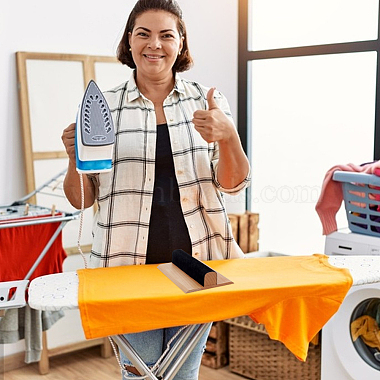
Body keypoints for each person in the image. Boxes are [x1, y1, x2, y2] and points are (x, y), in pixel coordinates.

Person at [61, 0, 250, 378]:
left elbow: (233, 185)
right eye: (143, 34)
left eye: (167, 35)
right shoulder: (103, 106)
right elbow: (81, 199)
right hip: (125, 270)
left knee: (183, 374)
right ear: (129, 42)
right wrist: (73, 157)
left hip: (198, 268)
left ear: (181, 43)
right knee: (141, 374)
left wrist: (229, 137)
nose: (155, 44)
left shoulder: (207, 102)